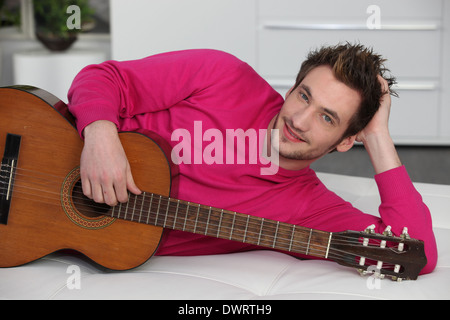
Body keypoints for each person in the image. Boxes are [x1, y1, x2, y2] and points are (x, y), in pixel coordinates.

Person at [68, 43, 437, 274]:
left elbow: (415, 252)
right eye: (304, 96)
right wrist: (100, 135)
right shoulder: (222, 74)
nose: (299, 120)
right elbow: (103, 78)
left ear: (345, 141)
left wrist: (377, 136)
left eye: (328, 118)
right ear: (291, 88)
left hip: (67, 236)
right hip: (49, 152)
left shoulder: (309, 208)